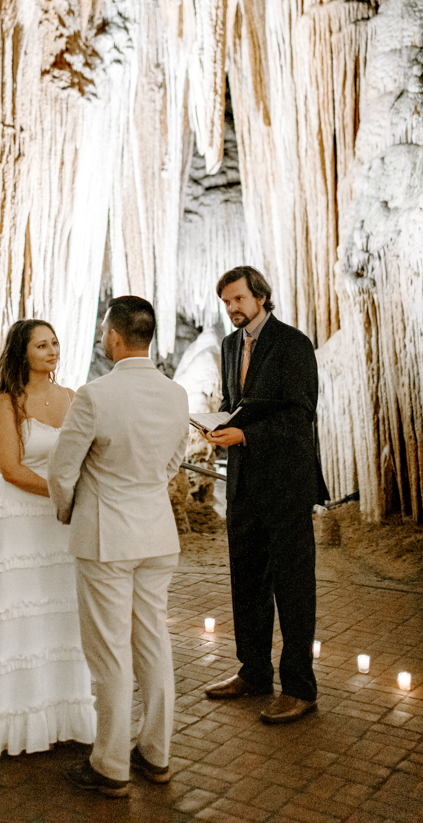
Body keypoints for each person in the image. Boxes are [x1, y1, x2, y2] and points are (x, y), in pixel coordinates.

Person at [48, 296, 189, 798]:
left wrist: (68, 511)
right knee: (153, 644)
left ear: (114, 336)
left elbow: (63, 471)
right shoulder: (176, 395)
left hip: (107, 537)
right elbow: (174, 460)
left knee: (109, 653)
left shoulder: (95, 395)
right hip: (156, 534)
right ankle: (156, 754)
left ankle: (109, 765)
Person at [204, 266, 329, 723]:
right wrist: (217, 423)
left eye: (238, 299)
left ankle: (300, 687)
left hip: (286, 485)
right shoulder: (229, 345)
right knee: (247, 581)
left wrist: (246, 437)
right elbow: (238, 404)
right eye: (226, 302)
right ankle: (253, 671)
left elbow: (300, 416)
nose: (232, 308)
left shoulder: (293, 344)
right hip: (243, 486)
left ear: (259, 295)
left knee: (293, 588)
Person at [0, 319, 97, 760]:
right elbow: (10, 467)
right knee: (27, 613)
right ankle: (22, 720)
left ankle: (66, 717)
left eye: (55, 343)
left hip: (63, 519)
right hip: (25, 515)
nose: (52, 351)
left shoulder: (72, 398)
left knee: (64, 612)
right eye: (41, 345)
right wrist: (62, 490)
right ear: (22, 353)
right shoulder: (7, 402)